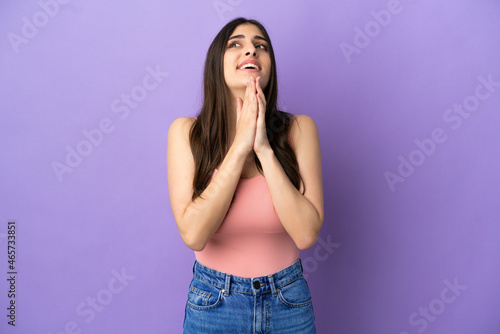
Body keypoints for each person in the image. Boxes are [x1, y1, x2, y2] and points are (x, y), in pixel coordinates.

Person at [167, 17, 324, 333]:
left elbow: (307, 235)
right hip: (214, 303)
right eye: (235, 44)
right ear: (217, 64)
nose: (251, 51)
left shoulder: (299, 130)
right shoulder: (186, 133)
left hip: (288, 301)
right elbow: (194, 234)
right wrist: (239, 148)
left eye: (260, 46)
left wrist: (263, 150)